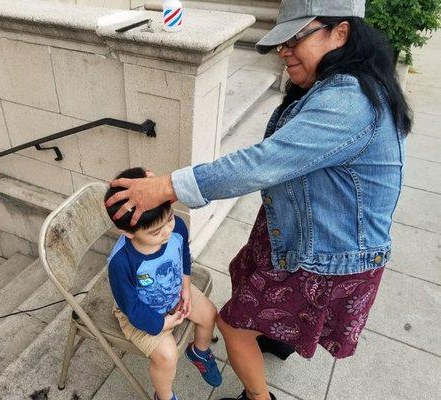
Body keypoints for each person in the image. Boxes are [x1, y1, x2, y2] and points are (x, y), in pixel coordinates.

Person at [104, 0, 412, 398]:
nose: (284, 51)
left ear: (341, 32)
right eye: (281, 41)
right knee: (248, 279)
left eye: (295, 38)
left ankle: (258, 397)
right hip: (299, 232)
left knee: (231, 325)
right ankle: (276, 336)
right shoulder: (336, 85)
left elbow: (261, 163)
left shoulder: (348, 101)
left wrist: (164, 187)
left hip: (326, 254)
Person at [105, 167, 222, 400]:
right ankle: (165, 396)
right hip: (141, 312)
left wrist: (186, 286)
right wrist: (162, 323)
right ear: (127, 232)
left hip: (176, 291)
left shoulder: (176, 227)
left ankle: (199, 352)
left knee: (209, 313)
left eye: (169, 218)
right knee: (167, 356)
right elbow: (131, 308)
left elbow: (184, 256)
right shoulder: (121, 263)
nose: (167, 230)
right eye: (156, 231)